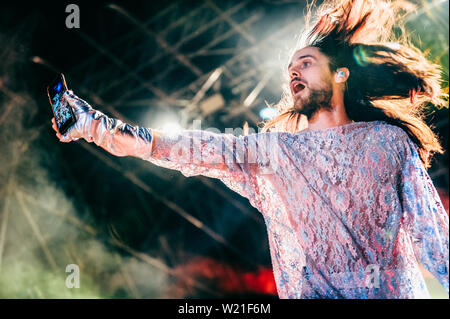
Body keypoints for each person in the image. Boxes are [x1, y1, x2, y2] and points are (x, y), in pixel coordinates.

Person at [51, 0, 448, 298]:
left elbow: (433, 239)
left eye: (306, 63)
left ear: (340, 73)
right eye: (290, 69)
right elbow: (191, 148)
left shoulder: (387, 141)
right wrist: (97, 127)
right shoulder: (277, 152)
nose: (294, 71)